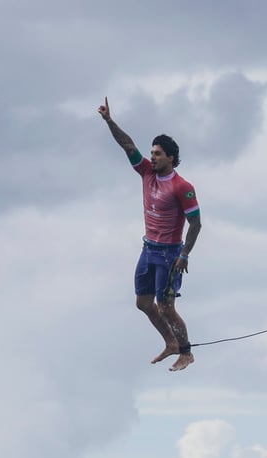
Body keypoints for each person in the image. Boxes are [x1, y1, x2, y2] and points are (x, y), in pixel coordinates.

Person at [98, 97, 201, 372]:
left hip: (169, 254)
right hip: (148, 249)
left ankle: (186, 352)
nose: (152, 157)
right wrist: (109, 121)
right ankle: (170, 342)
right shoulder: (146, 173)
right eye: (151, 153)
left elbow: (196, 224)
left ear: (170, 158)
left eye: (157, 154)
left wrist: (185, 255)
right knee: (143, 303)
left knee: (166, 307)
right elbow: (127, 145)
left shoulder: (182, 187)